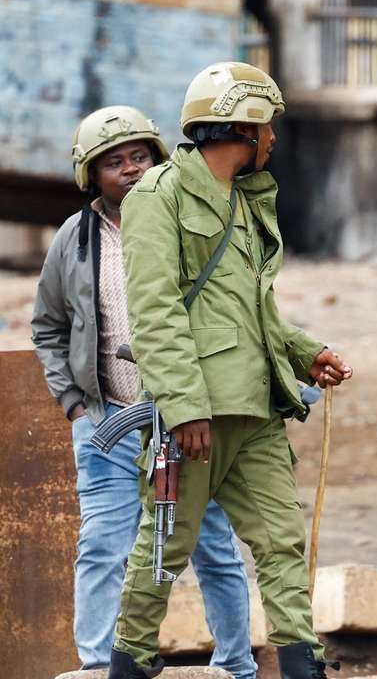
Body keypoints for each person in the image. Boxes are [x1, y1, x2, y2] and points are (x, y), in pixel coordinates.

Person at [107, 62, 354, 679]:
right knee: (165, 545)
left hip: (258, 406)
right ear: (244, 127)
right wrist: (184, 408)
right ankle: (131, 661)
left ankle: (303, 664)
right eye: (268, 125)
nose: (274, 138)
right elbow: (156, 312)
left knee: (280, 542)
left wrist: (304, 353)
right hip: (198, 414)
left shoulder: (245, 201)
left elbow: (251, 309)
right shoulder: (157, 197)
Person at [31, 106, 258, 678]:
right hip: (108, 422)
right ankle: (99, 664)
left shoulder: (189, 220)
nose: (131, 170)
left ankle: (236, 663)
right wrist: (75, 405)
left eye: (140, 157)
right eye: (115, 162)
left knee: (211, 545)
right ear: (92, 175)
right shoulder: (75, 240)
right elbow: (48, 326)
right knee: (103, 546)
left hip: (183, 418)